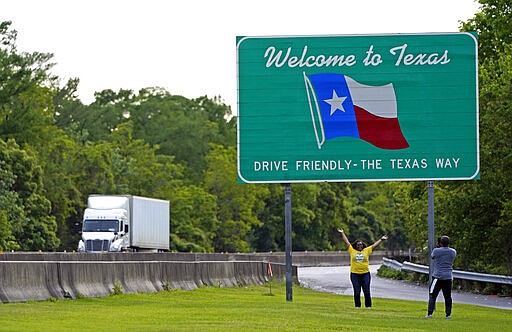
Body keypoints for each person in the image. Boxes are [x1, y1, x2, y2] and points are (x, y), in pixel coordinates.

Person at [337, 228, 388, 308]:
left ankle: (368, 306)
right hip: (355, 274)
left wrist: (381, 239)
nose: (360, 246)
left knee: (366, 291)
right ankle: (357, 306)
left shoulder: (366, 250)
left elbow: (374, 245)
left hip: (365, 274)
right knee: (357, 291)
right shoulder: (352, 250)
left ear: (363, 245)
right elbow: (346, 242)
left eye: (361, 244)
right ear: (356, 246)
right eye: (358, 245)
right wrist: (342, 233)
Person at [425, 235, 457, 319]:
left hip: (437, 276)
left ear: (440, 243)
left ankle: (429, 313)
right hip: (448, 277)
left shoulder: (436, 251)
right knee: (447, 296)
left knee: (432, 295)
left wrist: (438, 247)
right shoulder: (453, 251)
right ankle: (448, 314)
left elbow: (432, 256)